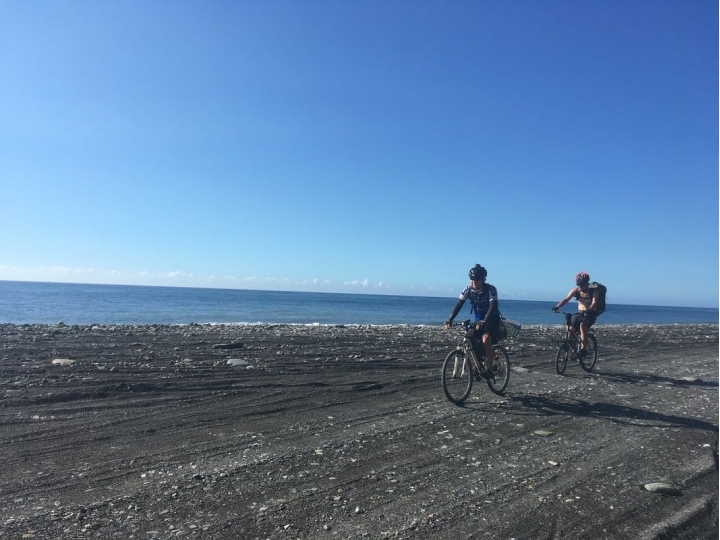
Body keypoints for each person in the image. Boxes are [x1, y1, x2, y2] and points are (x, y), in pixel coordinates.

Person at [444, 264, 500, 379]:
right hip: (478, 321)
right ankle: (479, 362)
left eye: (477, 279)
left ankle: (489, 370)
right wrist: (450, 319)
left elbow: (493, 306)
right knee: (471, 338)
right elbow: (458, 304)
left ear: (483, 279)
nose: (474, 282)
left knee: (486, 339)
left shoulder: (490, 289)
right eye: (472, 279)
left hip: (492, 320)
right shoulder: (467, 290)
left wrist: (485, 320)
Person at [552, 271, 599, 356]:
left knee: (582, 326)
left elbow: (594, 302)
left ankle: (583, 350)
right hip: (580, 313)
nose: (580, 286)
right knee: (571, 329)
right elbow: (566, 299)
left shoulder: (593, 291)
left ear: (586, 283)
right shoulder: (575, 291)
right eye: (579, 285)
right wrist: (557, 306)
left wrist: (589, 310)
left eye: (582, 284)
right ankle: (575, 352)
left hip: (591, 314)